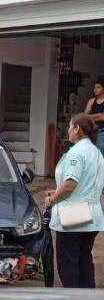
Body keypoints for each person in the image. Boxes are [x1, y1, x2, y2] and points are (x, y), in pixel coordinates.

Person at [44, 113, 104, 288]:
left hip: (74, 214)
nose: (68, 130)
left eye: (70, 127)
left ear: (77, 129)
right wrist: (58, 190)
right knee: (84, 261)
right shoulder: (96, 153)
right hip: (91, 214)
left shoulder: (76, 152)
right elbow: (86, 184)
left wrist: (53, 200)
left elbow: (70, 185)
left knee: (68, 264)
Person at [84, 79, 104, 155]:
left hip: (103, 132)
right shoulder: (91, 101)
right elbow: (84, 117)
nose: (95, 89)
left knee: (101, 156)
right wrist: (98, 116)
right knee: (91, 155)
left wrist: (90, 117)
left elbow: (102, 117)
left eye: (98, 87)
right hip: (93, 132)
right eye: (94, 88)